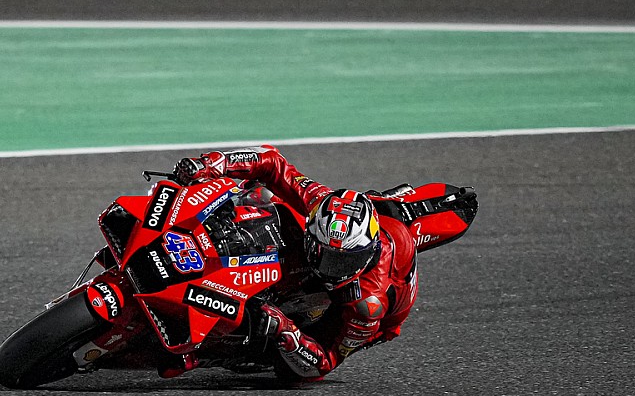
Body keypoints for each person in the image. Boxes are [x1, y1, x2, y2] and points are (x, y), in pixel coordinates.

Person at [172, 146, 476, 381]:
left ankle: (202, 353)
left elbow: (324, 363)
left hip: (365, 310)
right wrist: (213, 164)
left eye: (340, 261)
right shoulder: (321, 202)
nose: (330, 268)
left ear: (364, 254)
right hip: (363, 221)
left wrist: (286, 331)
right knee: (258, 195)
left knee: (273, 352)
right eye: (324, 255)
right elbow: (273, 163)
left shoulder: (368, 306)